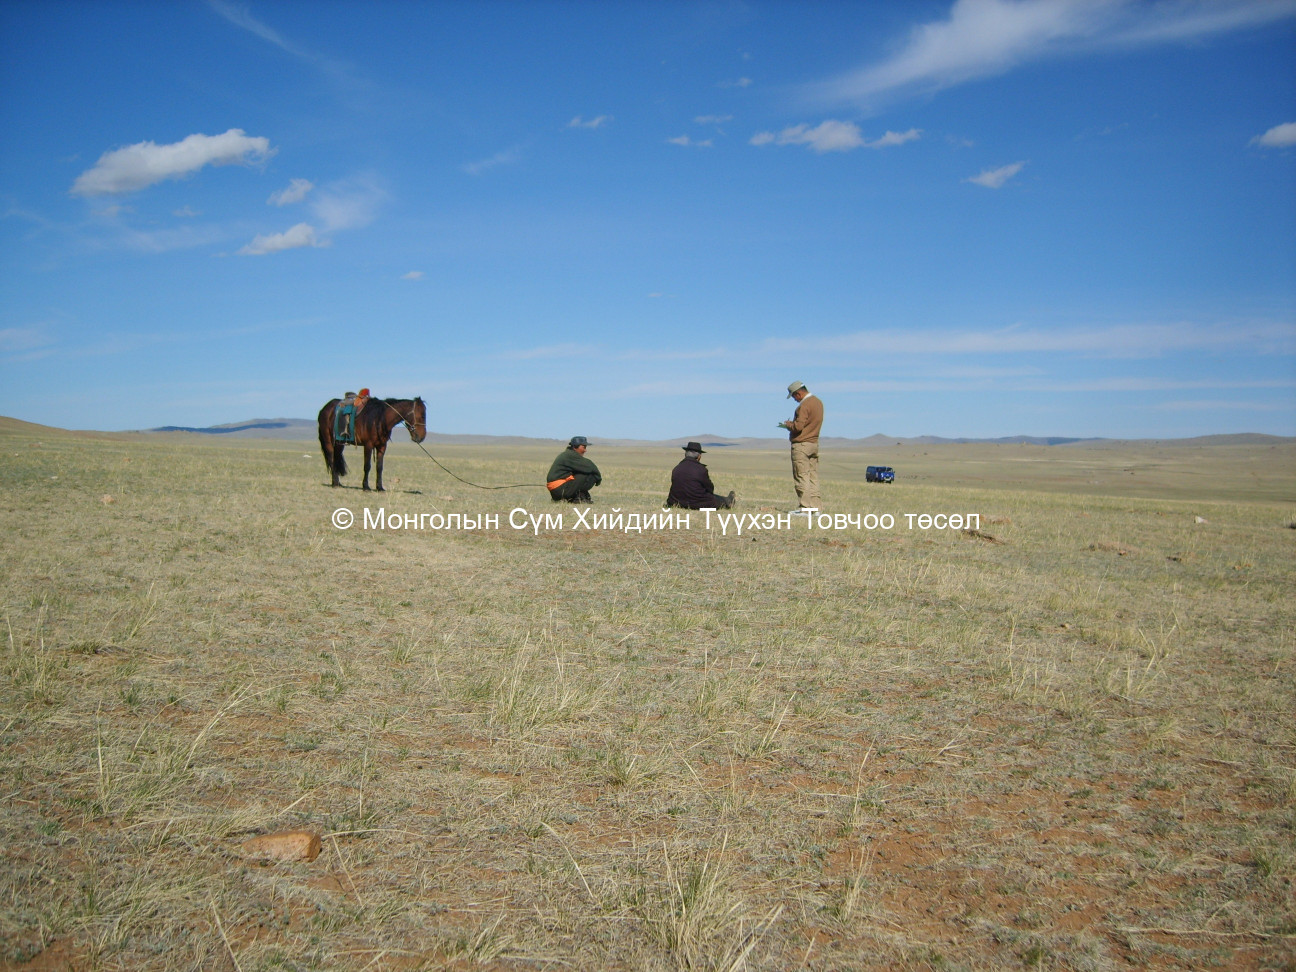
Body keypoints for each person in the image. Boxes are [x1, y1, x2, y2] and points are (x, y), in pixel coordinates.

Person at [779, 381, 822, 512]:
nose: (795, 400)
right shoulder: (818, 403)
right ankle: (815, 507)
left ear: (798, 393)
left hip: (801, 445)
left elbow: (798, 426)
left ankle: (805, 507)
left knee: (801, 475)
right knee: (813, 476)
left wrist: (788, 425)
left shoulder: (804, 406)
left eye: (794, 397)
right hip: (813, 444)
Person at [666, 442, 735, 510]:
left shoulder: (676, 468)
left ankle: (727, 500)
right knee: (716, 500)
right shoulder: (701, 469)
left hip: (675, 502)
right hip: (697, 504)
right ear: (699, 456)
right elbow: (710, 488)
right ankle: (728, 501)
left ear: (685, 454)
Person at [546, 436, 602, 503]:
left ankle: (577, 496)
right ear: (575, 447)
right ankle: (577, 497)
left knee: (580, 473)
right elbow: (591, 467)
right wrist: (598, 478)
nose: (585, 450)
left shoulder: (568, 454)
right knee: (589, 475)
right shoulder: (570, 455)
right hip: (559, 490)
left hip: (556, 490)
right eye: (584, 447)